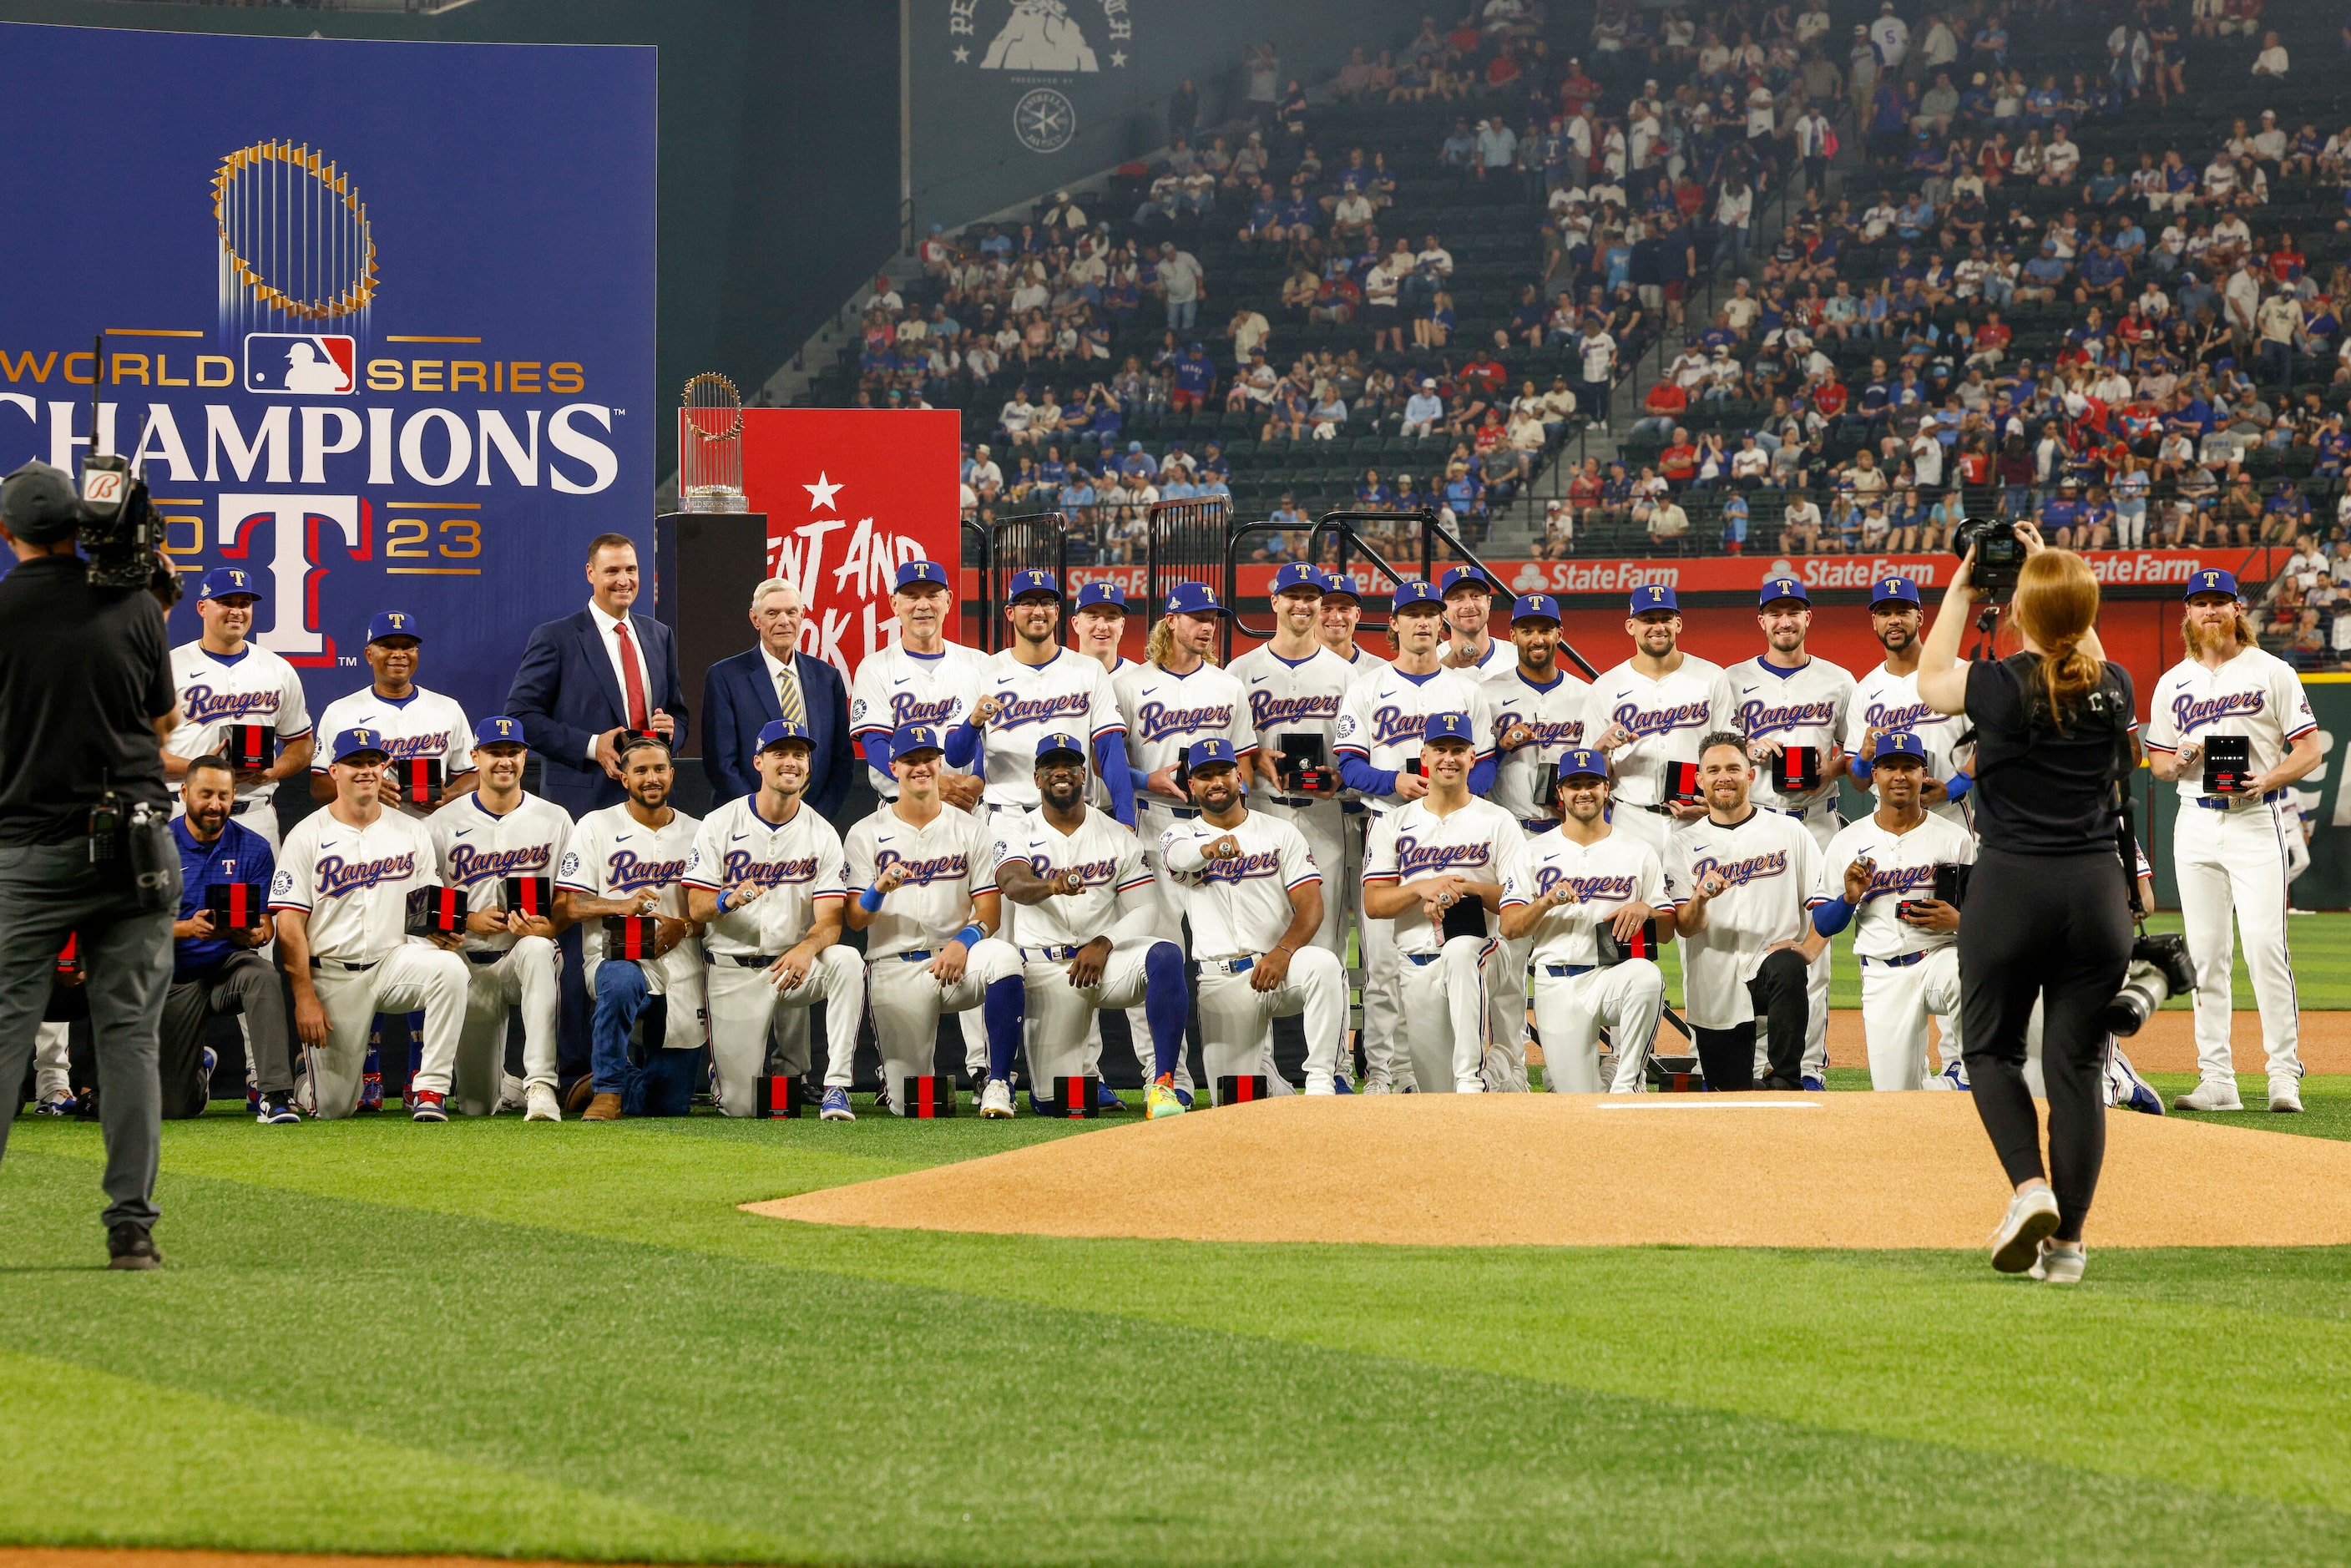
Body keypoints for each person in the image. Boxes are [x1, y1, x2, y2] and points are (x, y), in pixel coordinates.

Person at [1917, 527, 2137, 1282]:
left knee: (1989, 1050)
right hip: (2097, 893)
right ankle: (2068, 1245)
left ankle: (2029, 1187)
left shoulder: (2001, 683)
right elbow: (2089, 657)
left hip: (2012, 889)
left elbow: (1930, 675)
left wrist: (1964, 585)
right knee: (2076, 1065)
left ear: (2017, 614)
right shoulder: (2117, 686)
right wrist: (2054, 576)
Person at [0, 461, 179, 1267]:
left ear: (8, 534)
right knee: (129, 1039)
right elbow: (165, 719)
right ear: (82, 524)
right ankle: (131, 1231)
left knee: (5, 1032)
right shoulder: (136, 605)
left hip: (26, 849)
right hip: (135, 846)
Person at [508, 533, 688, 1101]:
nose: (623, 581)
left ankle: (642, 1065)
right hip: (582, 802)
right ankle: (575, 1071)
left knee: (647, 934)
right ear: (590, 573)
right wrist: (591, 744)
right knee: (578, 935)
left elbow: (678, 711)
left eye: (631, 570)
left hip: (645, 802)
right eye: (612, 571)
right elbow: (522, 717)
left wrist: (669, 734)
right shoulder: (558, 637)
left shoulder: (658, 636)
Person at [2141, 569, 2319, 1113]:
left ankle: (2283, 1075)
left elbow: (2308, 751)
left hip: (2253, 817)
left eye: (2221, 601)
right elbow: (2160, 764)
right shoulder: (2173, 682)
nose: (2211, 611)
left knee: (2266, 944)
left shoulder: (2272, 671)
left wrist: (2267, 779)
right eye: (2202, 602)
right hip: (2194, 820)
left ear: (2238, 608)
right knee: (2206, 954)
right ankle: (2217, 1078)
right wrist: (2183, 760)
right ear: (2188, 614)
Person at [1336, 581, 1497, 1091]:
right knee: (1383, 962)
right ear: (1395, 625)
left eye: (1431, 614)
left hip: (1457, 834)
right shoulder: (1366, 687)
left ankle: (1459, 1068)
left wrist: (1454, 799)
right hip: (1389, 826)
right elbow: (1348, 766)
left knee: (1458, 952)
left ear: (1441, 623)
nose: (1423, 623)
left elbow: (1487, 766)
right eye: (1412, 614)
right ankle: (1385, 1073)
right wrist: (1395, 782)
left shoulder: (1468, 691)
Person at [271, 727, 472, 1122]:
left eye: (372, 762)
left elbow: (423, 908)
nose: (365, 771)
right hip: (333, 977)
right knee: (331, 1109)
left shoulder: (411, 830)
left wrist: (444, 930)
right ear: (333, 771)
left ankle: (430, 1088)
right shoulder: (306, 835)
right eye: (354, 763)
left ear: (386, 768)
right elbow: (290, 924)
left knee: (450, 970)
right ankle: (306, 1076)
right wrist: (305, 998)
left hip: (392, 963)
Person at [990, 734, 1191, 1117]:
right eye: (1051, 767)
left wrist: (1106, 941)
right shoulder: (1017, 832)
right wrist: (1051, 884)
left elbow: (1146, 908)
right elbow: (1013, 885)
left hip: (1102, 961)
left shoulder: (1116, 834)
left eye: (1070, 767)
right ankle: (1050, 1085)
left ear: (1085, 776)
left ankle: (1164, 1082)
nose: (1061, 773)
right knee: (1057, 1104)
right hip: (1050, 968)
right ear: (1037, 778)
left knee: (1165, 953)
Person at [1711, 575, 1857, 1090]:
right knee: (1736, 942)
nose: (1785, 620)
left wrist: (1831, 769)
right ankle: (1733, 1062)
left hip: (1815, 825)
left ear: (1807, 618)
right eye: (1775, 612)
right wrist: (1747, 749)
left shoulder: (1839, 681)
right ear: (1762, 620)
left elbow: (1858, 761)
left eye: (1794, 611)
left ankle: (1808, 1065)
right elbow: (1713, 750)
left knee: (1812, 946)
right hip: (1755, 824)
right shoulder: (1731, 680)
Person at [1114, 583, 1256, 1100]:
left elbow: (1242, 764)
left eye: (1212, 617)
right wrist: (1141, 780)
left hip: (1217, 831)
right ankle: (1166, 1076)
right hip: (1154, 828)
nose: (1207, 625)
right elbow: (1108, 761)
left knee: (1233, 953)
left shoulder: (1226, 686)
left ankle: (1239, 1075)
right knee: (1158, 957)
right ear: (1170, 621)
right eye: (1197, 616)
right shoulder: (1131, 685)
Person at [684, 721, 865, 1119]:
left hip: (791, 967)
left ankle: (836, 1085)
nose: (791, 762)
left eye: (799, 755)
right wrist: (730, 899)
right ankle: (744, 1076)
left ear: (809, 767)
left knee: (847, 961)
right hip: (734, 969)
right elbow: (696, 907)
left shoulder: (822, 832)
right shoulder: (720, 823)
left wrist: (806, 948)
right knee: (741, 1107)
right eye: (780, 753)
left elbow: (831, 920)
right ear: (759, 762)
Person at [838, 724, 1020, 1118]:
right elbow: (854, 919)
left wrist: (963, 941)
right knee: (914, 1106)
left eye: (927, 760)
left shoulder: (971, 828)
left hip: (959, 961)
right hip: (896, 966)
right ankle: (895, 1080)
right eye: (910, 761)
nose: (920, 767)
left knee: (1005, 957)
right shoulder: (865, 832)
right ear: (893, 767)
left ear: (940, 764)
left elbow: (990, 910)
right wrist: (878, 889)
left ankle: (999, 1082)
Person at [1163, 738, 1347, 1097]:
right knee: (1235, 1106)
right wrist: (1209, 850)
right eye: (1205, 775)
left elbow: (1311, 905)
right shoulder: (1178, 834)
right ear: (1192, 785)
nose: (1216, 782)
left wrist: (1283, 952)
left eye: (1223, 772)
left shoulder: (1280, 832)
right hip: (1222, 982)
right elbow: (1179, 859)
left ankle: (1322, 1081)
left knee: (1324, 965)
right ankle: (1272, 1083)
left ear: (1239, 777)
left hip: (1278, 968)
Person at [1362, 713, 1524, 1095]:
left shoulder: (1498, 821)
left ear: (1472, 758)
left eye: (1458, 750)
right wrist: (1422, 888)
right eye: (1440, 750)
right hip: (1417, 963)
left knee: (1460, 950)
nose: (1448, 758)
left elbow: (1518, 900)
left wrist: (1465, 889)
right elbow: (1374, 903)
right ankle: (1497, 1070)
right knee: (1438, 1093)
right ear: (1424, 757)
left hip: (1484, 952)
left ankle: (1475, 1077)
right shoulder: (1394, 823)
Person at [426, 716, 573, 1121]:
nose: (504, 761)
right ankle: (504, 1085)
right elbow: (421, 898)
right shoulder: (441, 823)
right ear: (475, 757)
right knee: (476, 1105)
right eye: (494, 752)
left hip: (519, 954)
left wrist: (552, 925)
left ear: (525, 757)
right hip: (465, 962)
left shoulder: (554, 818)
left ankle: (541, 1084)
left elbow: (568, 894)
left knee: (539, 949)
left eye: (512, 752)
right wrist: (466, 918)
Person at [1499, 749, 1671, 1092]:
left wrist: (1646, 910)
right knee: (1577, 1101)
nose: (1584, 792)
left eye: (1592, 783)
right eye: (1574, 784)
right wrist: (1546, 901)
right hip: (1558, 982)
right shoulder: (1533, 851)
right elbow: (1510, 926)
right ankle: (1598, 1078)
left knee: (1647, 976)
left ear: (1606, 789)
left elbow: (1666, 931)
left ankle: (1625, 1084)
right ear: (1560, 793)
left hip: (1612, 975)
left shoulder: (1637, 850)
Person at [554, 735, 706, 1120]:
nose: (650, 778)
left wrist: (684, 926)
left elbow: (712, 913)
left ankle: (602, 1080)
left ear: (672, 775)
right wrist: (622, 904)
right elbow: (571, 905)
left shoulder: (700, 831)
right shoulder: (596, 825)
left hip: (681, 964)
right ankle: (607, 1091)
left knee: (669, 1105)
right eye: (640, 770)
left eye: (659, 769)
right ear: (624, 778)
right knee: (622, 980)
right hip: (614, 955)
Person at [1811, 733, 1975, 1090]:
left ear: (1924, 774)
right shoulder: (1847, 840)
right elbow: (1823, 924)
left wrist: (1959, 921)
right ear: (1874, 775)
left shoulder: (1956, 839)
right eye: (1889, 767)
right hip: (1883, 973)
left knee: (1970, 972)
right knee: (1898, 1096)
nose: (1899, 775)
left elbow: (1990, 920)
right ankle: (1949, 1089)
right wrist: (1849, 898)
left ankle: (1973, 1075)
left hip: (1938, 958)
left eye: (1909, 767)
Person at [1666, 731, 1827, 1092]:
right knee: (1729, 1092)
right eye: (1714, 770)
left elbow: (1824, 900)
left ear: (1750, 776)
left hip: (1770, 968)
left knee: (1788, 966)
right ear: (1699, 779)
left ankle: (1787, 1078)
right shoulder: (1681, 844)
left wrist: (1810, 949)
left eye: (1734, 768)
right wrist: (1700, 899)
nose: (1724, 777)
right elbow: (1686, 928)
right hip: (1715, 976)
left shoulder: (1789, 831)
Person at [1479, 594, 1593, 1091]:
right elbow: (1474, 774)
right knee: (1506, 961)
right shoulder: (1487, 693)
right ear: (1514, 635)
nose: (1538, 638)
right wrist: (1500, 749)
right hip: (1510, 839)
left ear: (1559, 634)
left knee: (1577, 954)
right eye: (1527, 629)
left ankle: (1571, 1065)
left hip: (1568, 838)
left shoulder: (1587, 696)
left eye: (1546, 629)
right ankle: (1508, 1069)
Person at [163, 756, 292, 1121]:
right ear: (185, 792)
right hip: (173, 976)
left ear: (234, 795)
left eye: (223, 795)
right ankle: (195, 1070)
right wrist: (186, 928)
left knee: (263, 974)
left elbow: (266, 925)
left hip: (227, 969)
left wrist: (256, 933)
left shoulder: (253, 847)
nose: (215, 805)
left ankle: (275, 1094)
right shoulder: (157, 845)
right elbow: (133, 927)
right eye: (206, 795)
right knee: (173, 1109)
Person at [970, 569, 1132, 836]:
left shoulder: (1089, 671)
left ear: (1056, 611)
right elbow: (962, 751)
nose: (1038, 610)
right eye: (1027, 602)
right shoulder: (985, 670)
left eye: (1045, 602)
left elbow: (1110, 751)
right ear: (1010, 612)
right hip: (1006, 817)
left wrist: (1126, 818)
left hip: (1075, 815)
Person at [164, 565, 314, 851]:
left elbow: (302, 743)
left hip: (254, 814)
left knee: (251, 898)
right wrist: (198, 769)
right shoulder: (169, 667)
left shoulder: (277, 669)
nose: (236, 611)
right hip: (184, 812)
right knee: (181, 896)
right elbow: (139, 753)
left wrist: (275, 769)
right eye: (225, 602)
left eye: (244, 603)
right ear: (202, 607)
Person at [1585, 585, 1724, 862]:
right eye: (1648, 619)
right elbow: (1594, 774)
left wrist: (1715, 804)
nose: (1658, 627)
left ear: (1678, 623)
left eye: (1665, 618)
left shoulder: (1711, 677)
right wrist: (1600, 750)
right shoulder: (1606, 686)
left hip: (1698, 817)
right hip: (1632, 819)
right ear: (1631, 626)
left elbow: (1728, 753)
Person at [700, 578, 856, 816]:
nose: (784, 621)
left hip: (813, 824)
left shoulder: (827, 678)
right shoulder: (725, 677)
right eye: (773, 613)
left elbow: (842, 760)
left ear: (802, 615)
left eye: (791, 612)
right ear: (755, 619)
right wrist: (757, 816)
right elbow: (721, 764)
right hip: (744, 824)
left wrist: (814, 818)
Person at [847, 560, 990, 809]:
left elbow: (993, 739)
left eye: (933, 595)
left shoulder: (979, 662)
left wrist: (977, 780)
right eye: (911, 596)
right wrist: (931, 785)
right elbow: (876, 745)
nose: (923, 605)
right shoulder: (875, 667)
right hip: (900, 806)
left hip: (966, 805)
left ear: (948, 600)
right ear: (894, 604)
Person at [309, 611, 475, 817]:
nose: (399, 654)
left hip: (433, 828)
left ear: (417, 653)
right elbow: (319, 786)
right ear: (369, 655)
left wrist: (450, 796)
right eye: (388, 646)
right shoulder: (340, 712)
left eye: (407, 646)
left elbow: (473, 773)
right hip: (370, 829)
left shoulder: (448, 708)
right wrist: (366, 789)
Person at [1845, 577, 1973, 836]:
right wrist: (1863, 758)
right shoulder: (1864, 691)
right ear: (1875, 622)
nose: (1894, 620)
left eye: (1903, 611)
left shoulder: (1959, 673)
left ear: (1920, 617)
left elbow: (1988, 748)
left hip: (1948, 815)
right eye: (1885, 613)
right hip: (1886, 821)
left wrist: (1951, 789)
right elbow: (1859, 783)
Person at [1438, 564, 1512, 675]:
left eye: (1476, 596)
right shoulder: (1432, 662)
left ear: (1488, 603)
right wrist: (1446, 667)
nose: (1469, 605)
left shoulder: (1517, 656)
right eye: (1458, 598)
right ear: (1443, 609)